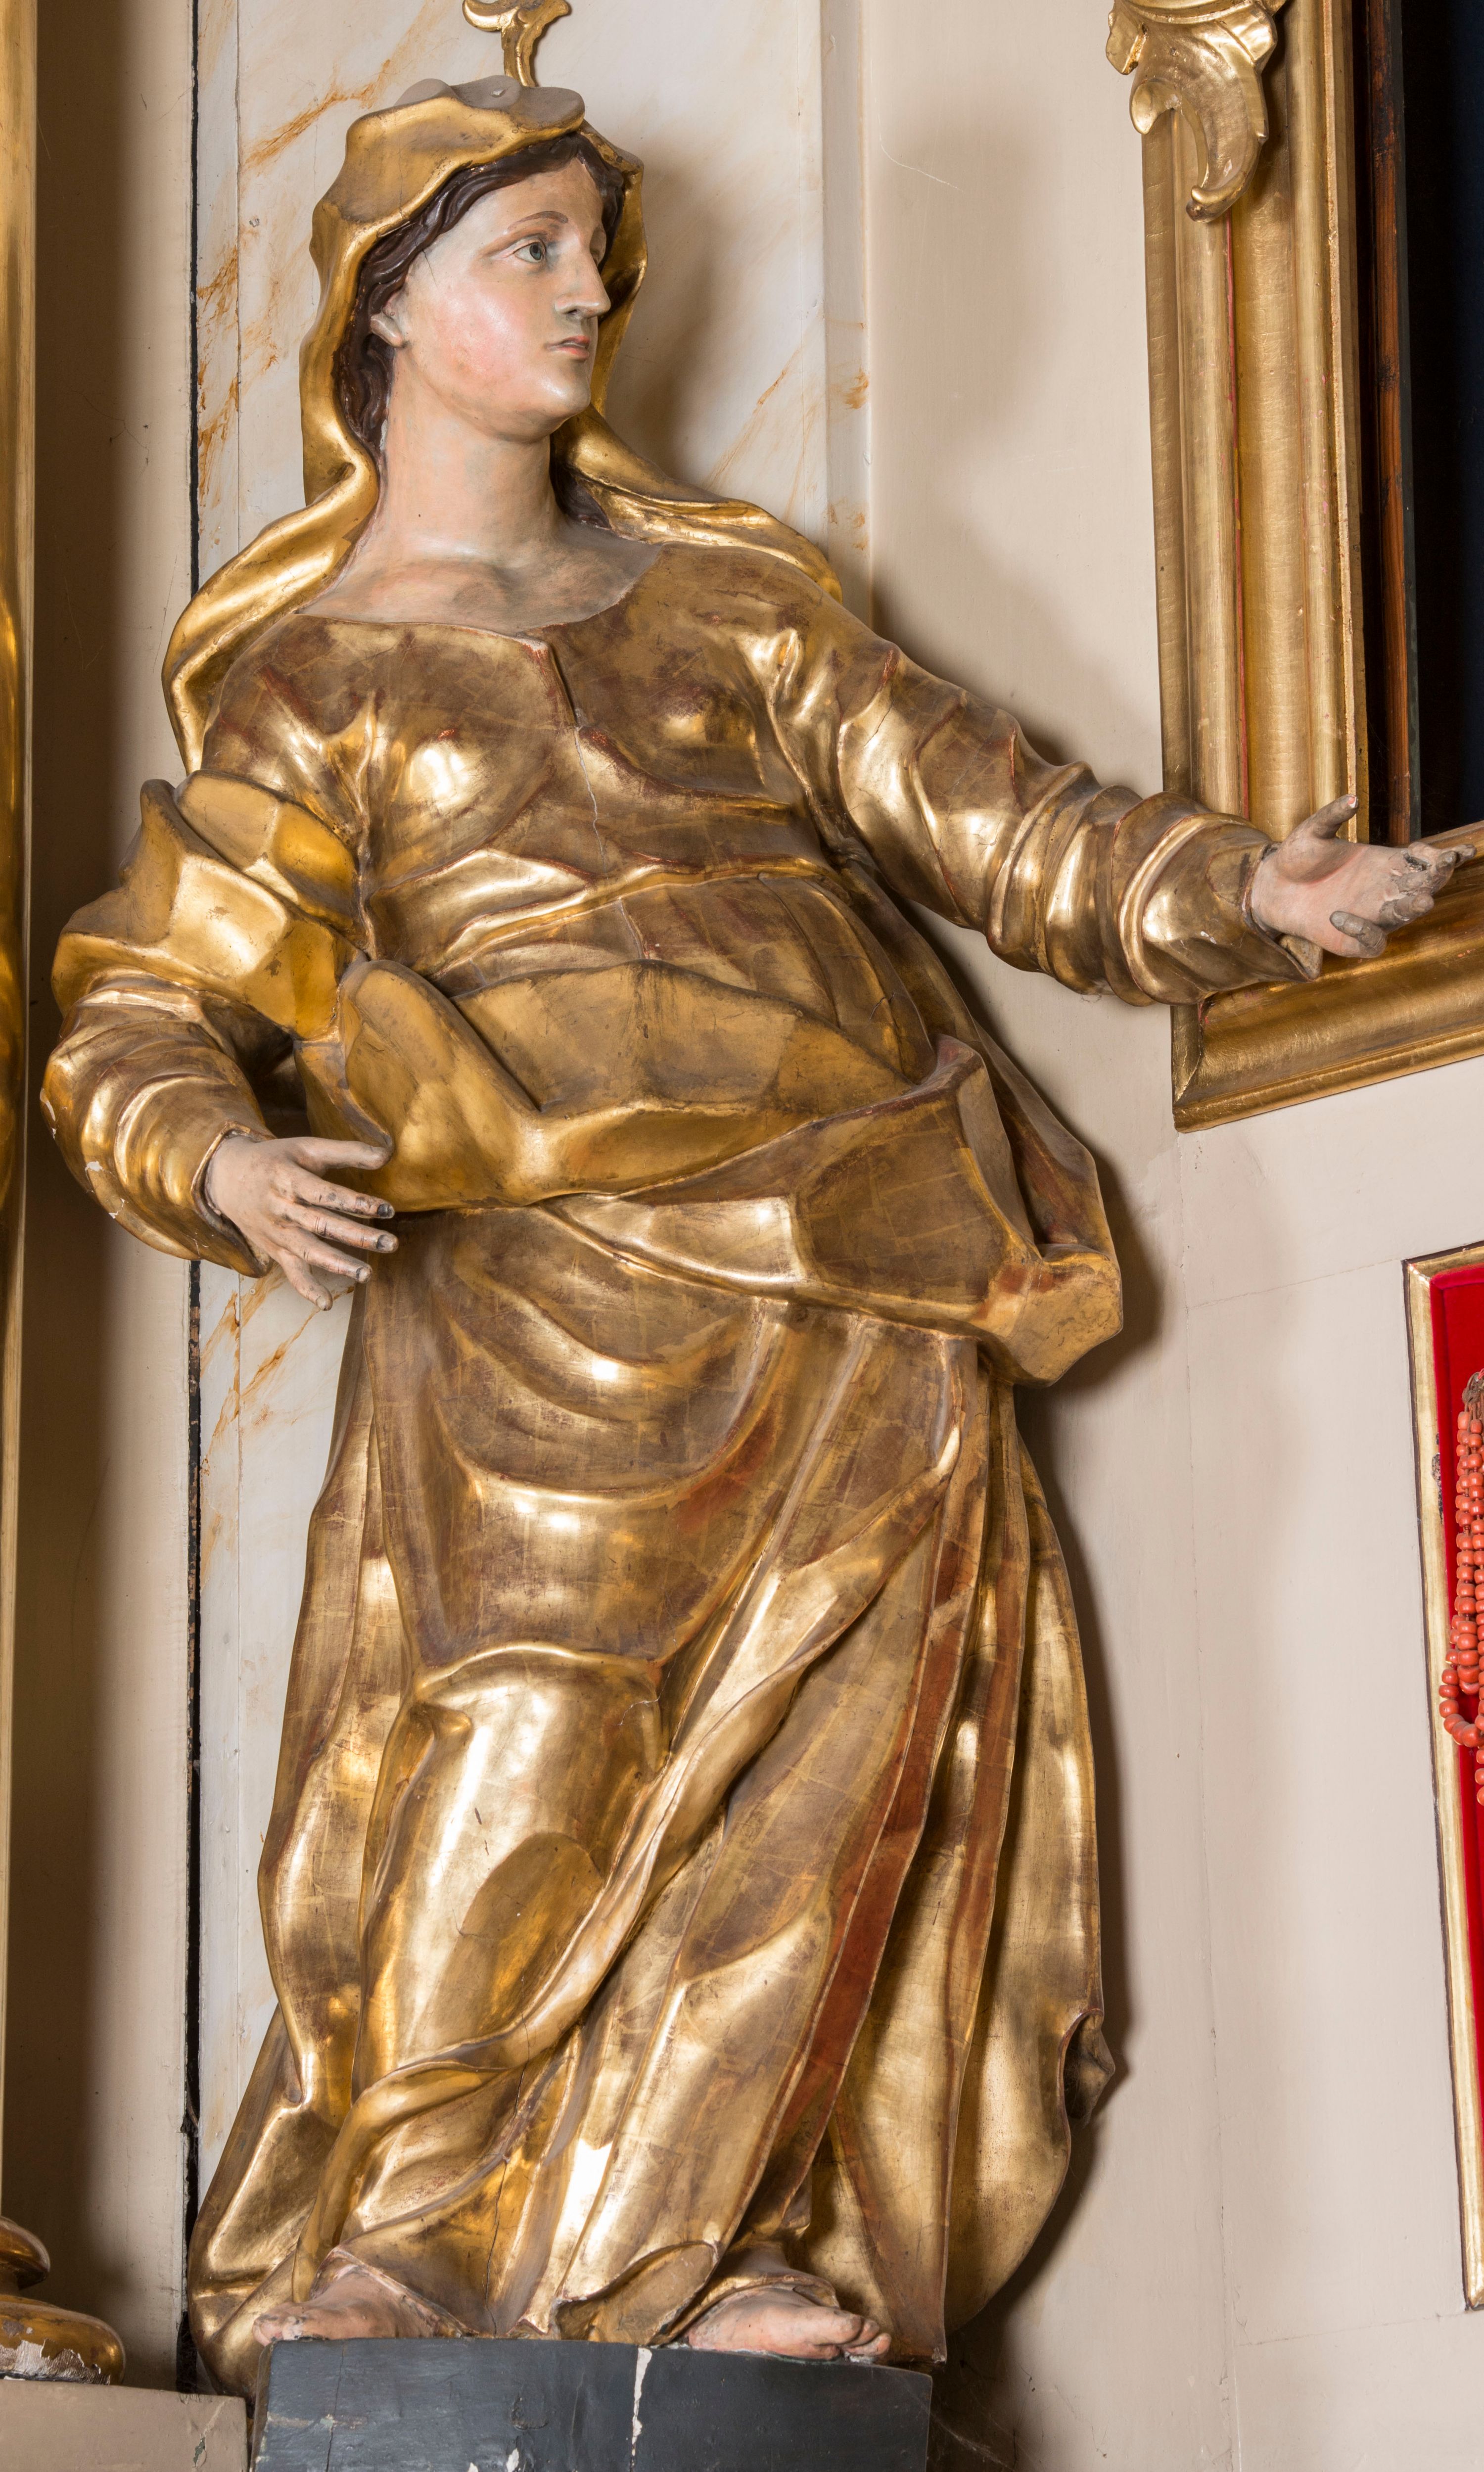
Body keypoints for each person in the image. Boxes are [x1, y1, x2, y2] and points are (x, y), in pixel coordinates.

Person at [42, 65, 1467, 2397]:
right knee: (507, 1732)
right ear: (387, 305)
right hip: (528, 1282)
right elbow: (145, 1002)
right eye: (528, 250)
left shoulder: (731, 604)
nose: (587, 293)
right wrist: (215, 1156)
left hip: (859, 1241)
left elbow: (1007, 825)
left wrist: (1248, 888)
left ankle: (697, 2239)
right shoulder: (311, 678)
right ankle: (412, 2228)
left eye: (598, 252)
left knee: (811, 1782)